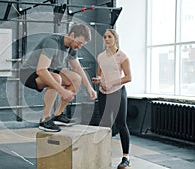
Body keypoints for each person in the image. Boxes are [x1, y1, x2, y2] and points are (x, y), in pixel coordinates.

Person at [20, 24, 97, 132]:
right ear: (72, 35)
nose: (80, 46)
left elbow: (77, 67)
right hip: (28, 73)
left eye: (82, 45)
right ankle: (45, 120)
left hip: (49, 71)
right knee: (56, 79)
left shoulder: (72, 47)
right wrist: (62, 91)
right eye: (79, 43)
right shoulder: (52, 43)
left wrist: (90, 88)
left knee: (76, 79)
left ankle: (57, 115)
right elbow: (41, 70)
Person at [92, 29, 132, 169]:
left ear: (115, 38)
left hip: (117, 92)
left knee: (121, 124)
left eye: (109, 36)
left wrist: (112, 82)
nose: (106, 39)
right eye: (105, 37)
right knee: (104, 124)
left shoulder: (122, 56)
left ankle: (126, 158)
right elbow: (100, 74)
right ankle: (103, 154)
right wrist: (98, 80)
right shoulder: (101, 56)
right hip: (103, 93)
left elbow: (128, 77)